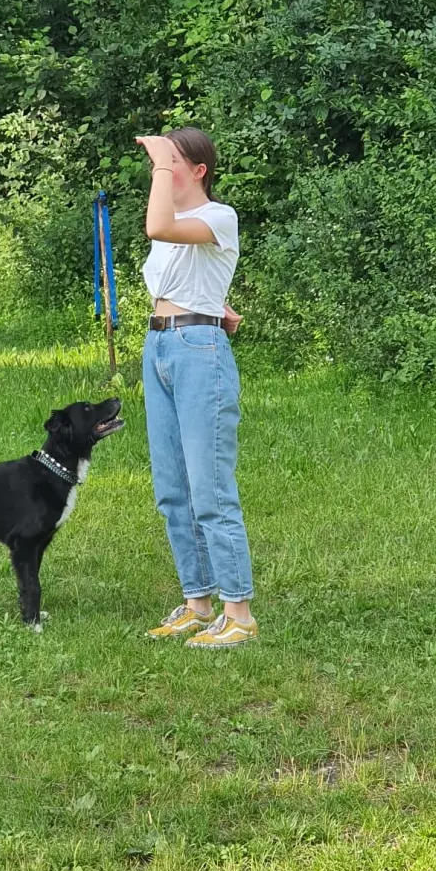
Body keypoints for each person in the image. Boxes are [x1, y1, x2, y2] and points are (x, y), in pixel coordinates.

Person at [136, 128, 257, 648]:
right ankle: (197, 602)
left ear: (198, 170)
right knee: (172, 489)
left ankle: (239, 613)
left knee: (210, 489)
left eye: (172, 163)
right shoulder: (184, 229)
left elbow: (156, 225)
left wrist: (161, 158)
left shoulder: (218, 216)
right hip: (159, 348)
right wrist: (219, 307)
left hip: (196, 355)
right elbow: (186, 282)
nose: (161, 170)